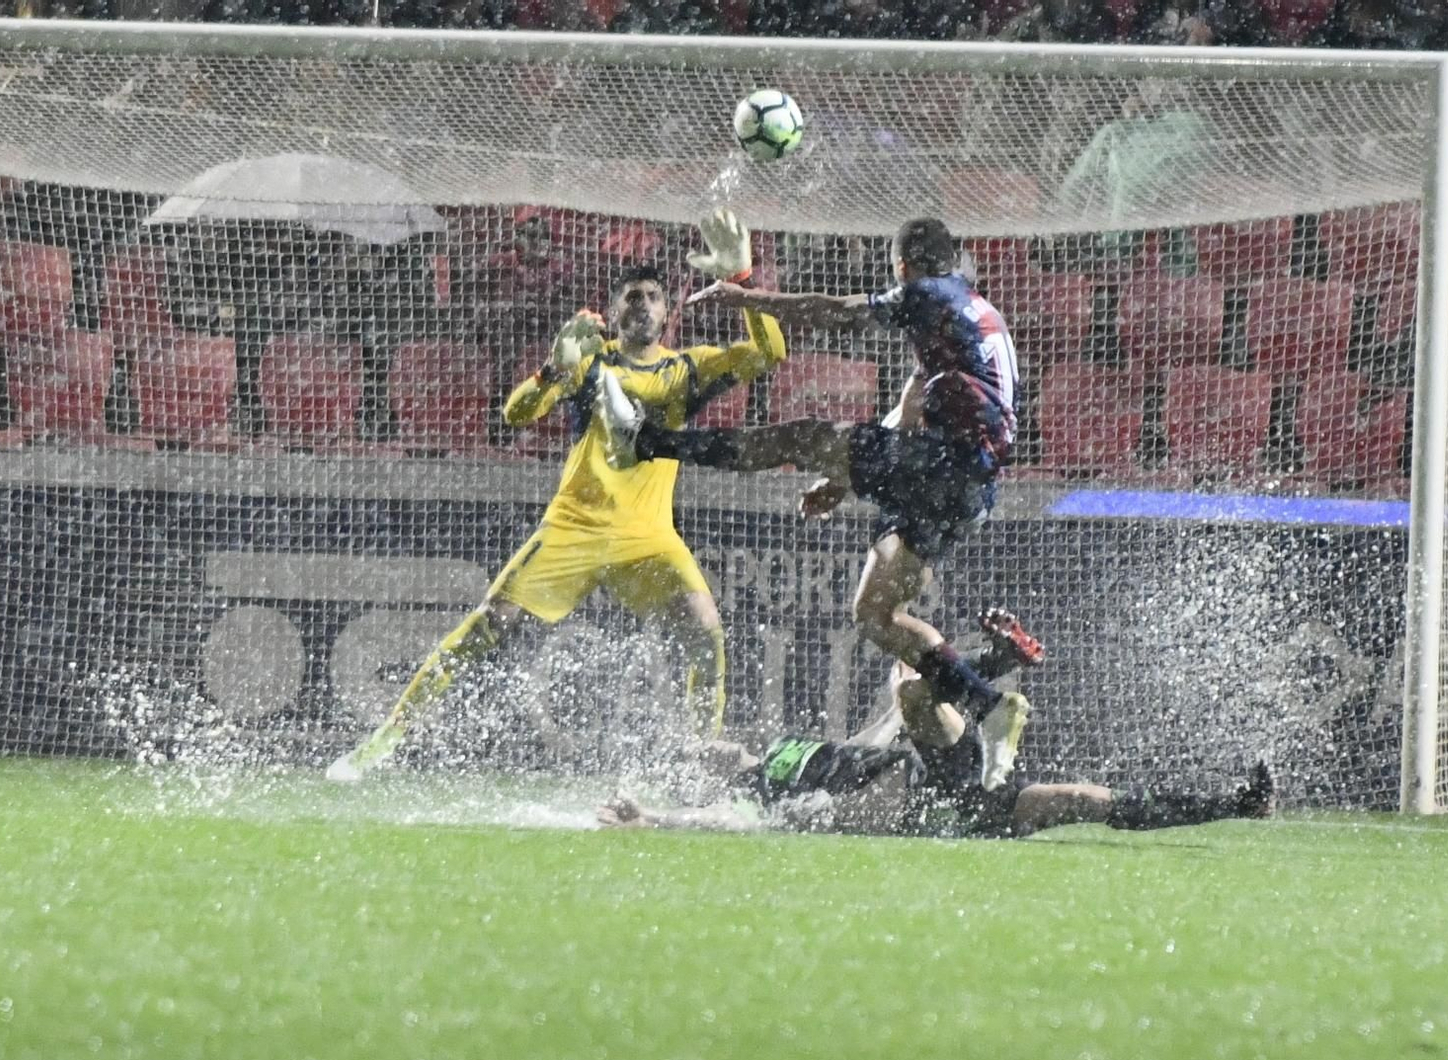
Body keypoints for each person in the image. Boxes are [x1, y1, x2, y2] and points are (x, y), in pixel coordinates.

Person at [326, 210, 785, 780]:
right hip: (575, 526)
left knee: (705, 628)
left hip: (647, 534)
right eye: (631, 297)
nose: (642, 305)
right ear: (612, 312)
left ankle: (701, 756)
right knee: (489, 623)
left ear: (668, 313)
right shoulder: (589, 363)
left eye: (652, 297)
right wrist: (550, 369)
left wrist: (742, 281)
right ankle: (385, 740)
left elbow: (770, 352)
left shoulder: (686, 371)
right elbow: (515, 414)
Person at [596, 216, 1028, 790]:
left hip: (946, 464)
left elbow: (839, 311)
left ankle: (644, 440)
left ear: (902, 266)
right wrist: (846, 479)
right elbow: (911, 400)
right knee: (877, 614)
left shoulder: (931, 293)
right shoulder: (975, 313)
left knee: (799, 437)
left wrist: (747, 298)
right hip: (967, 487)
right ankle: (989, 704)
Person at [599, 609, 1275, 838]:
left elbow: (883, 727)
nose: (711, 748)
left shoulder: (793, 750)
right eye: (703, 756)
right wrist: (654, 818)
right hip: (924, 805)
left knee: (911, 688)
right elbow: (721, 821)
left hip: (939, 781)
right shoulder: (757, 796)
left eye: (704, 749)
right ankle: (996, 696)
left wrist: (990, 658)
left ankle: (1237, 802)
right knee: (1080, 799)